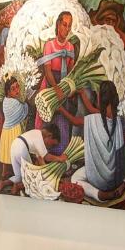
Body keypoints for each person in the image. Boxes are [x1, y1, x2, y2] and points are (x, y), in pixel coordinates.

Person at [71, 80, 125, 202]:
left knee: (75, 178)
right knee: (119, 177)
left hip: (98, 179)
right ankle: (123, 184)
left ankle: (100, 194)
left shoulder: (94, 119)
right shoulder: (117, 120)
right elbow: (91, 109)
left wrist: (60, 110)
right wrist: (81, 93)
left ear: (100, 98)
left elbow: (75, 121)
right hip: (113, 177)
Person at [34, 11, 77, 150]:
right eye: (64, 24)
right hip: (50, 84)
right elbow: (47, 71)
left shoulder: (70, 47)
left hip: (64, 85)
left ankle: (61, 152)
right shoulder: (50, 45)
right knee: (48, 118)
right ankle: (45, 155)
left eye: (69, 26)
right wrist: (56, 89)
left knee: (63, 118)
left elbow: (71, 70)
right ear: (58, 24)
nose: (67, 29)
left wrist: (67, 87)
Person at [0, 124, 68, 196]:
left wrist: (46, 171)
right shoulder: (39, 137)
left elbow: (40, 158)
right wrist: (60, 159)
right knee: (31, 177)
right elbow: (46, 157)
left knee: (19, 176)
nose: (50, 147)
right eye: (52, 144)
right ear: (49, 135)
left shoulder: (35, 134)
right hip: (21, 148)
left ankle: (3, 183)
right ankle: (17, 187)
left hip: (14, 146)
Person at [0, 78, 28, 180]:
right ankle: (17, 175)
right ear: (8, 92)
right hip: (14, 130)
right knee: (16, 151)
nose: (17, 90)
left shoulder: (6, 100)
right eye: (13, 89)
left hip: (6, 131)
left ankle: (4, 174)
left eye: (17, 87)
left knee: (7, 151)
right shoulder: (14, 103)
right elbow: (23, 111)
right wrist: (25, 104)